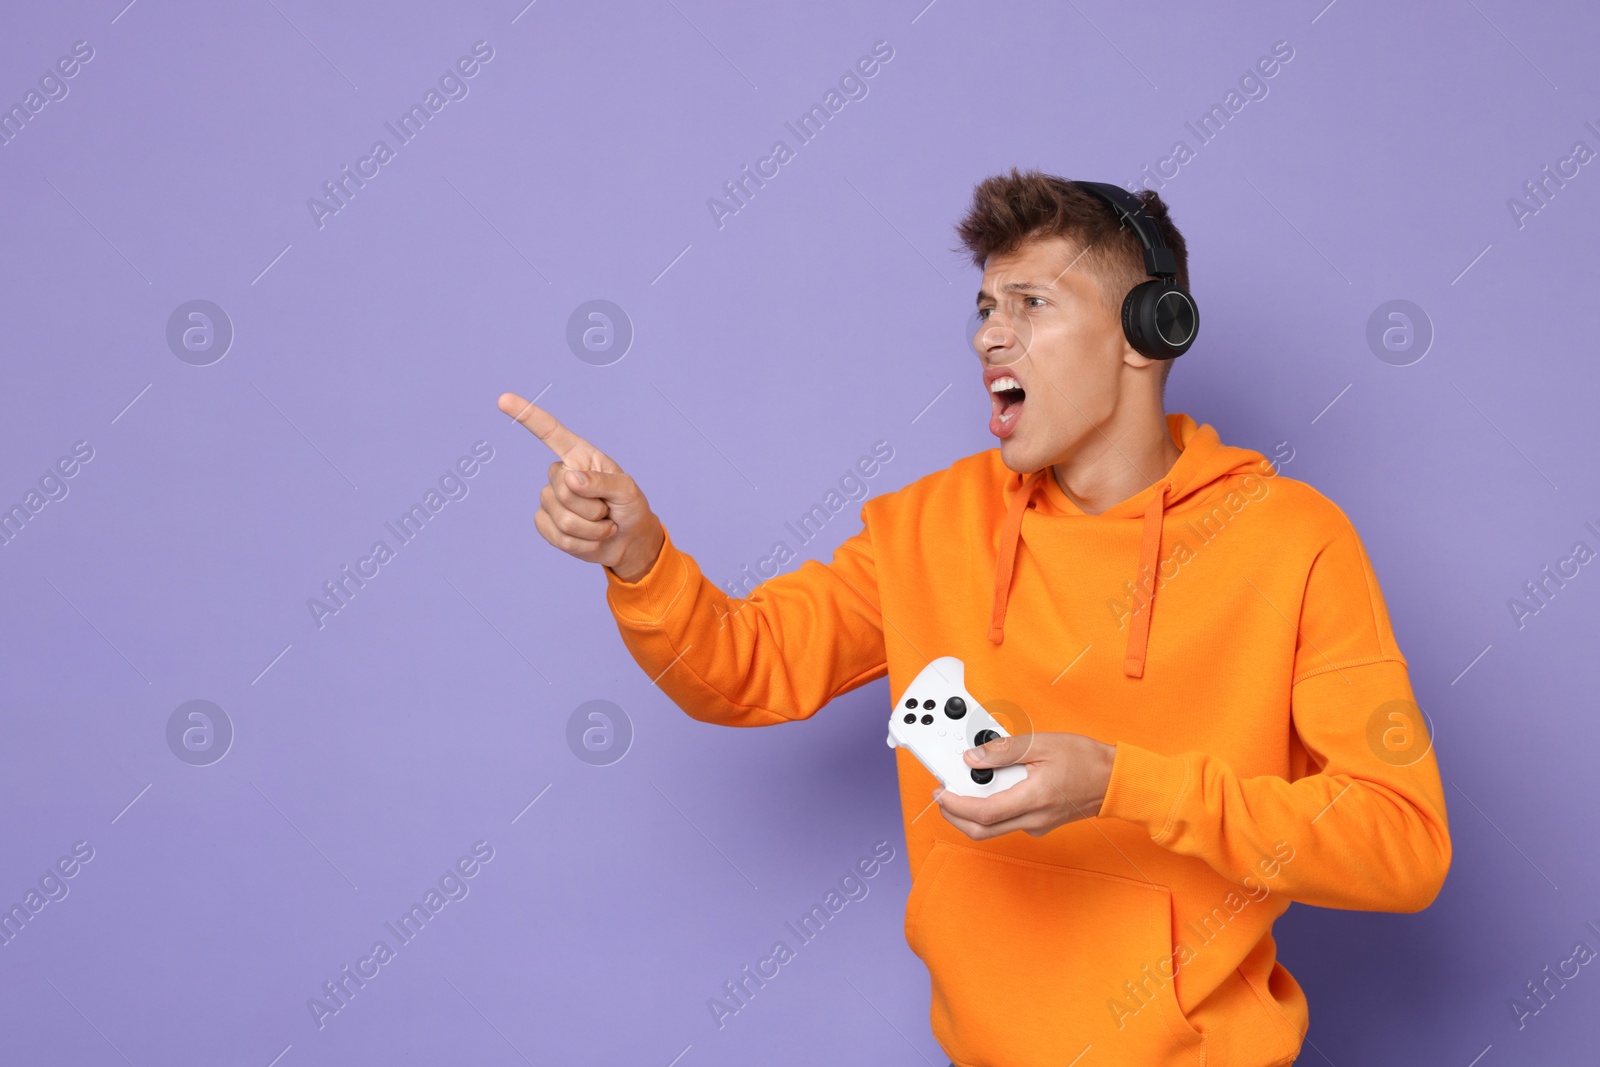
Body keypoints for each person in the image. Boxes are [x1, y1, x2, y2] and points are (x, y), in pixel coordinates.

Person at [497, 168, 1451, 1066]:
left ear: (1149, 331)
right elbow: (747, 666)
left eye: (1033, 303)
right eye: (987, 306)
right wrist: (640, 557)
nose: (990, 335)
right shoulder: (929, 526)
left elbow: (1402, 843)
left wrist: (1128, 786)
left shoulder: (1293, 540)